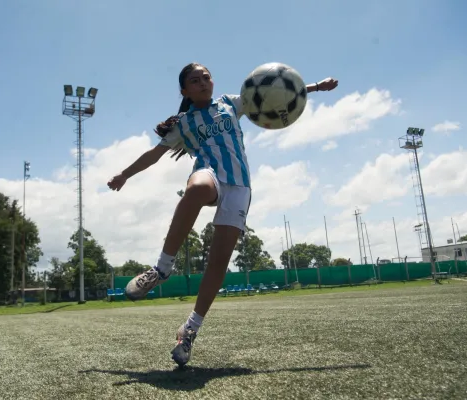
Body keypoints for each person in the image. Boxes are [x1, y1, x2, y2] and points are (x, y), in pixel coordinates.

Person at [107, 62, 338, 366]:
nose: (203, 82)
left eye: (206, 77)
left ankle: (189, 330)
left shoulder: (230, 102)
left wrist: (316, 87)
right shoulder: (184, 123)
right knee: (196, 189)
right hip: (209, 173)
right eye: (195, 80)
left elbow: (271, 93)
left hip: (239, 185)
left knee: (218, 264)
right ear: (184, 90)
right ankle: (161, 269)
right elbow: (154, 154)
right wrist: (124, 174)